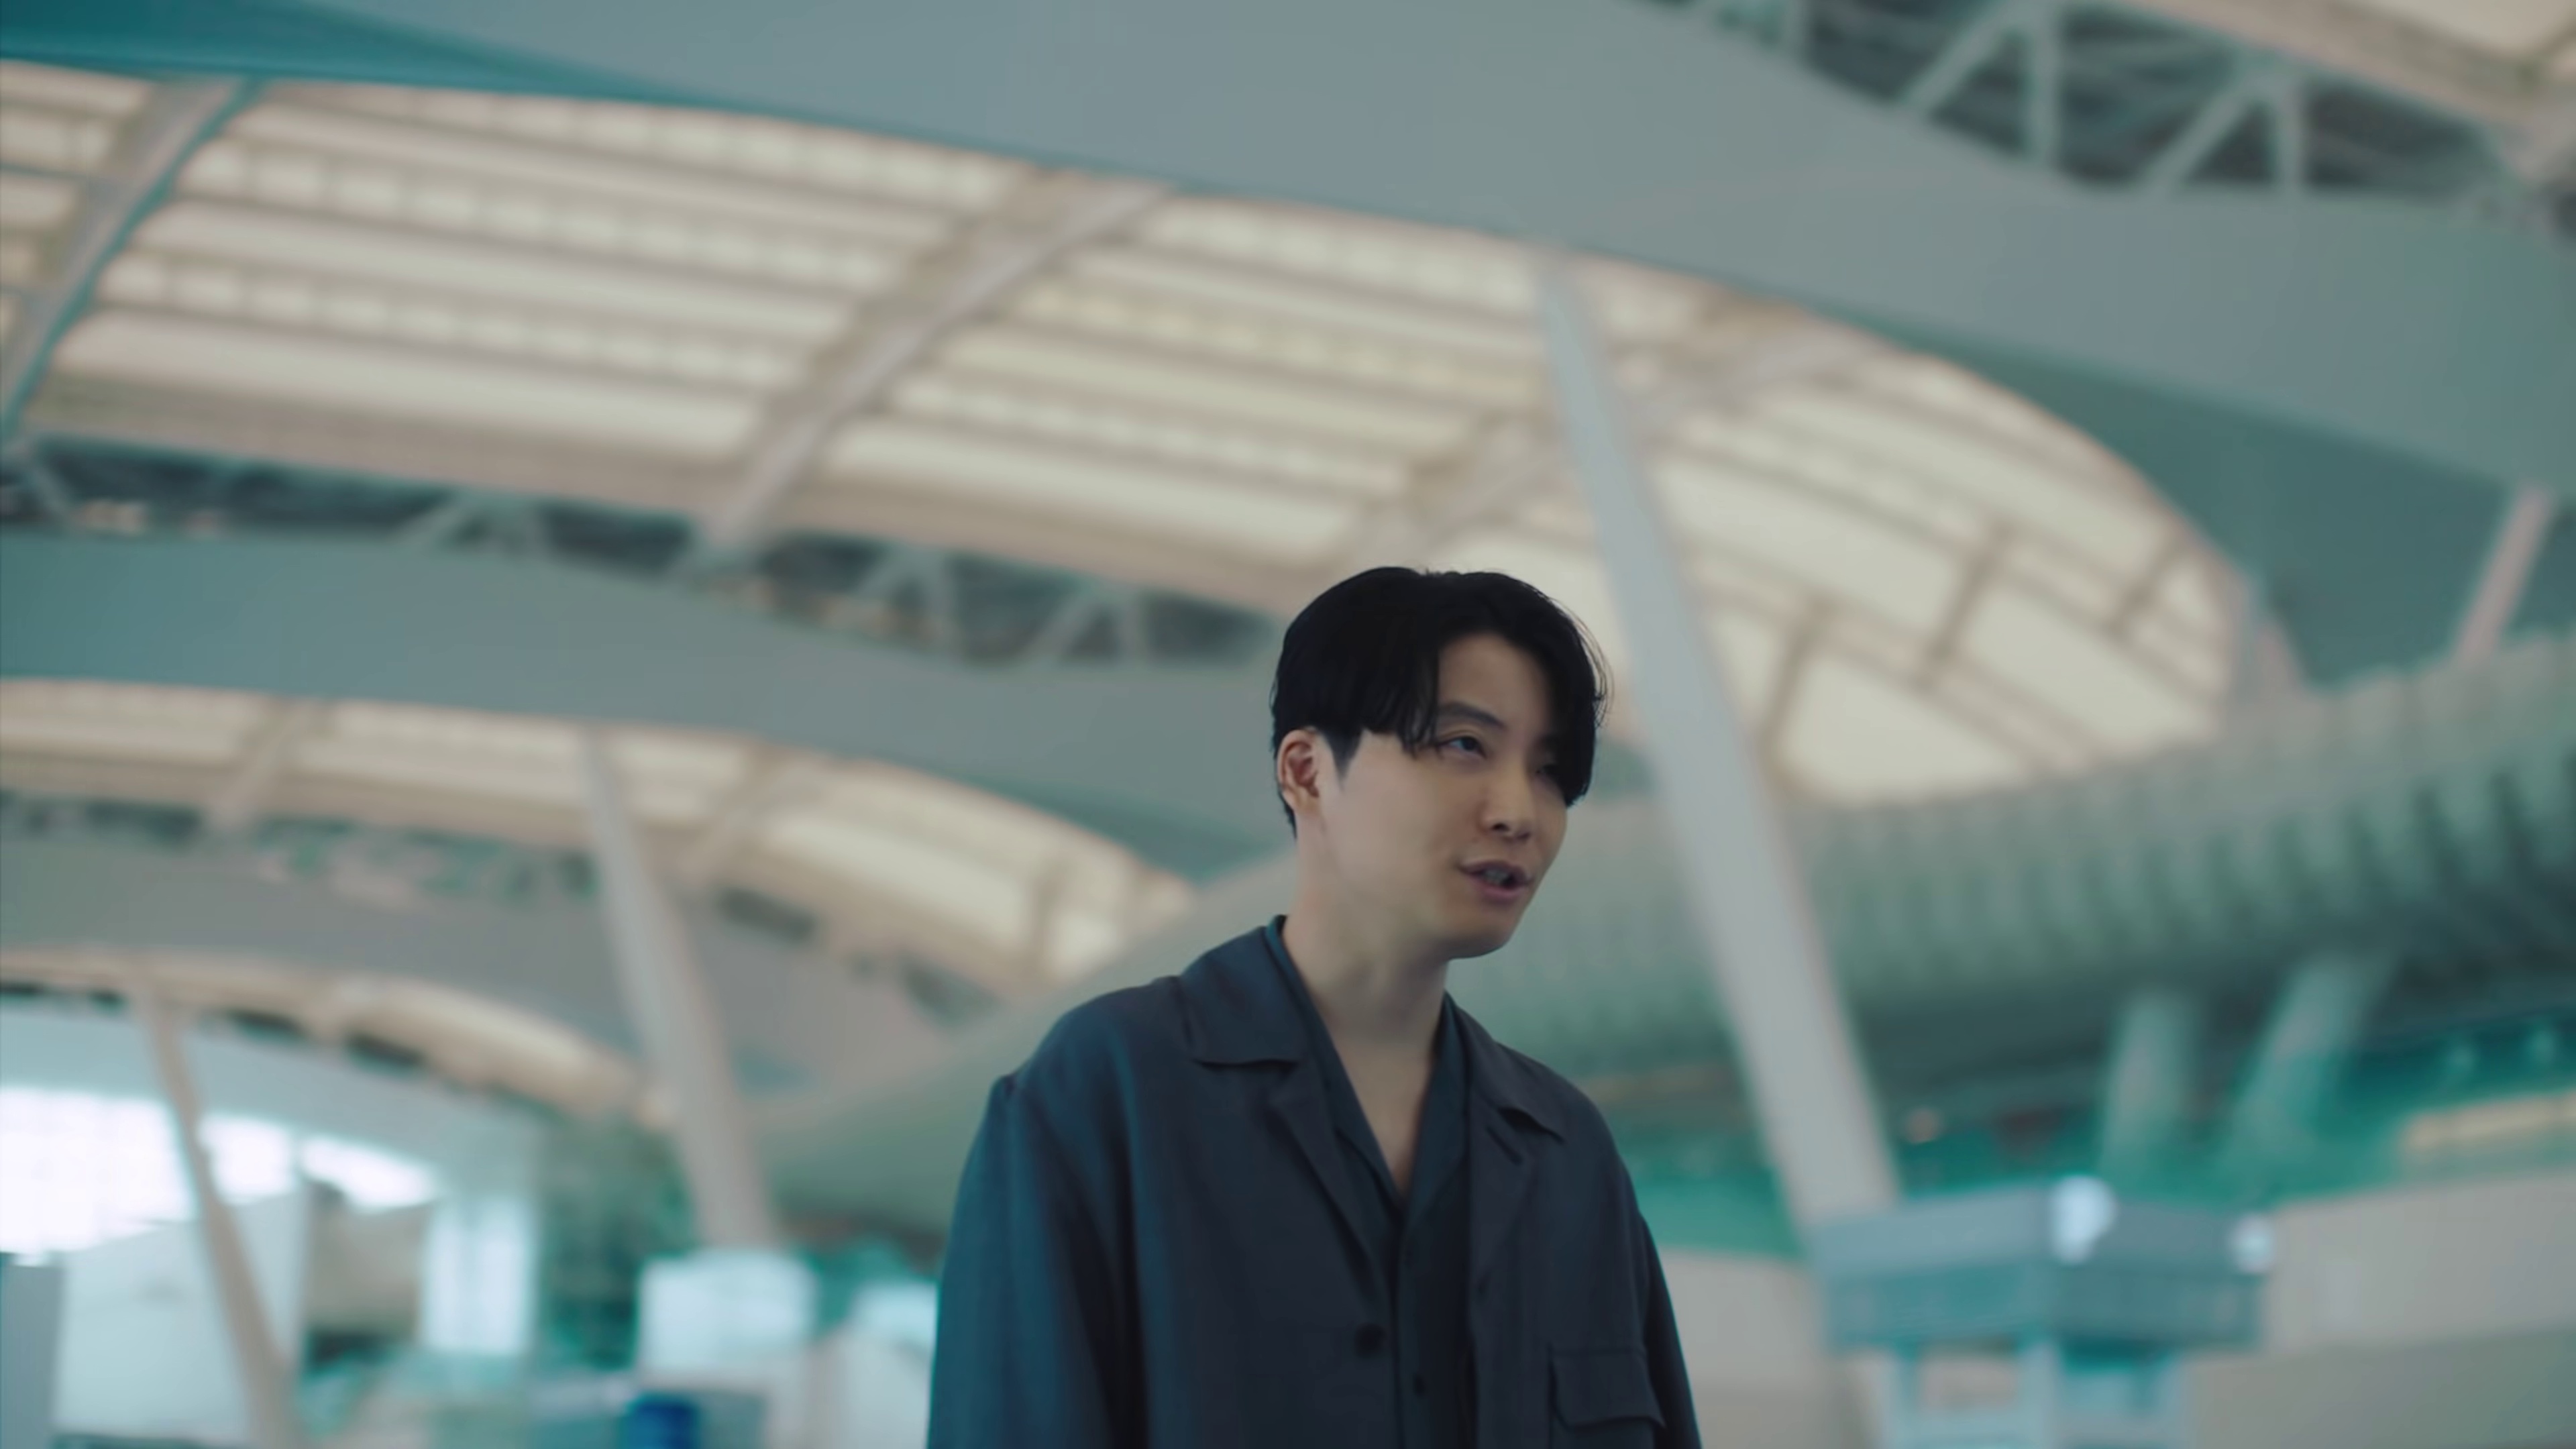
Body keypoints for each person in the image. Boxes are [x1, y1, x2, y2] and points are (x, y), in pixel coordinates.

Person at [928, 566, 1701, 1448]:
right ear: (1307, 772)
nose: (1519, 811)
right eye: (1463, 745)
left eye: (1550, 770)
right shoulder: (1107, 1095)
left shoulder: (1568, 1155)